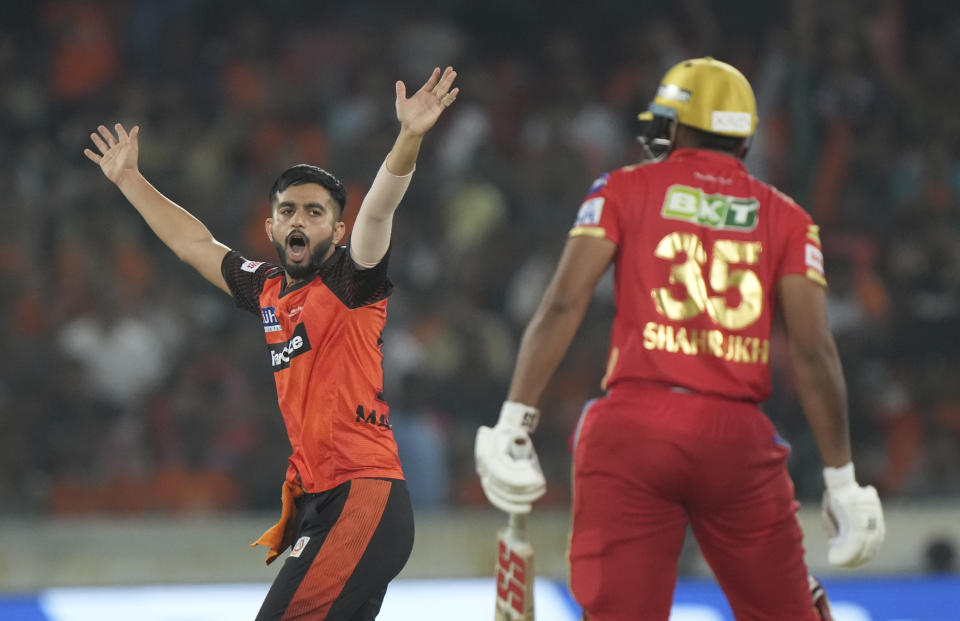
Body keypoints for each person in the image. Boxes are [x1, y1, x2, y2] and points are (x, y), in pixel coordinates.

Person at [475, 57, 885, 621]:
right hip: (738, 440)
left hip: (633, 431)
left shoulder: (622, 188)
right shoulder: (789, 219)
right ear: (743, 137)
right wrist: (843, 480)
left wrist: (515, 418)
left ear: (676, 126)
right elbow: (814, 353)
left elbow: (563, 303)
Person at [84, 66, 459, 621]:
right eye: (288, 211)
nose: (298, 220)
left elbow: (379, 208)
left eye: (314, 211)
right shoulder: (265, 288)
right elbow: (194, 243)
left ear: (337, 230)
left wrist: (410, 136)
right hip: (323, 504)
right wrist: (129, 180)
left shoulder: (352, 281)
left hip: (361, 496)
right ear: (271, 226)